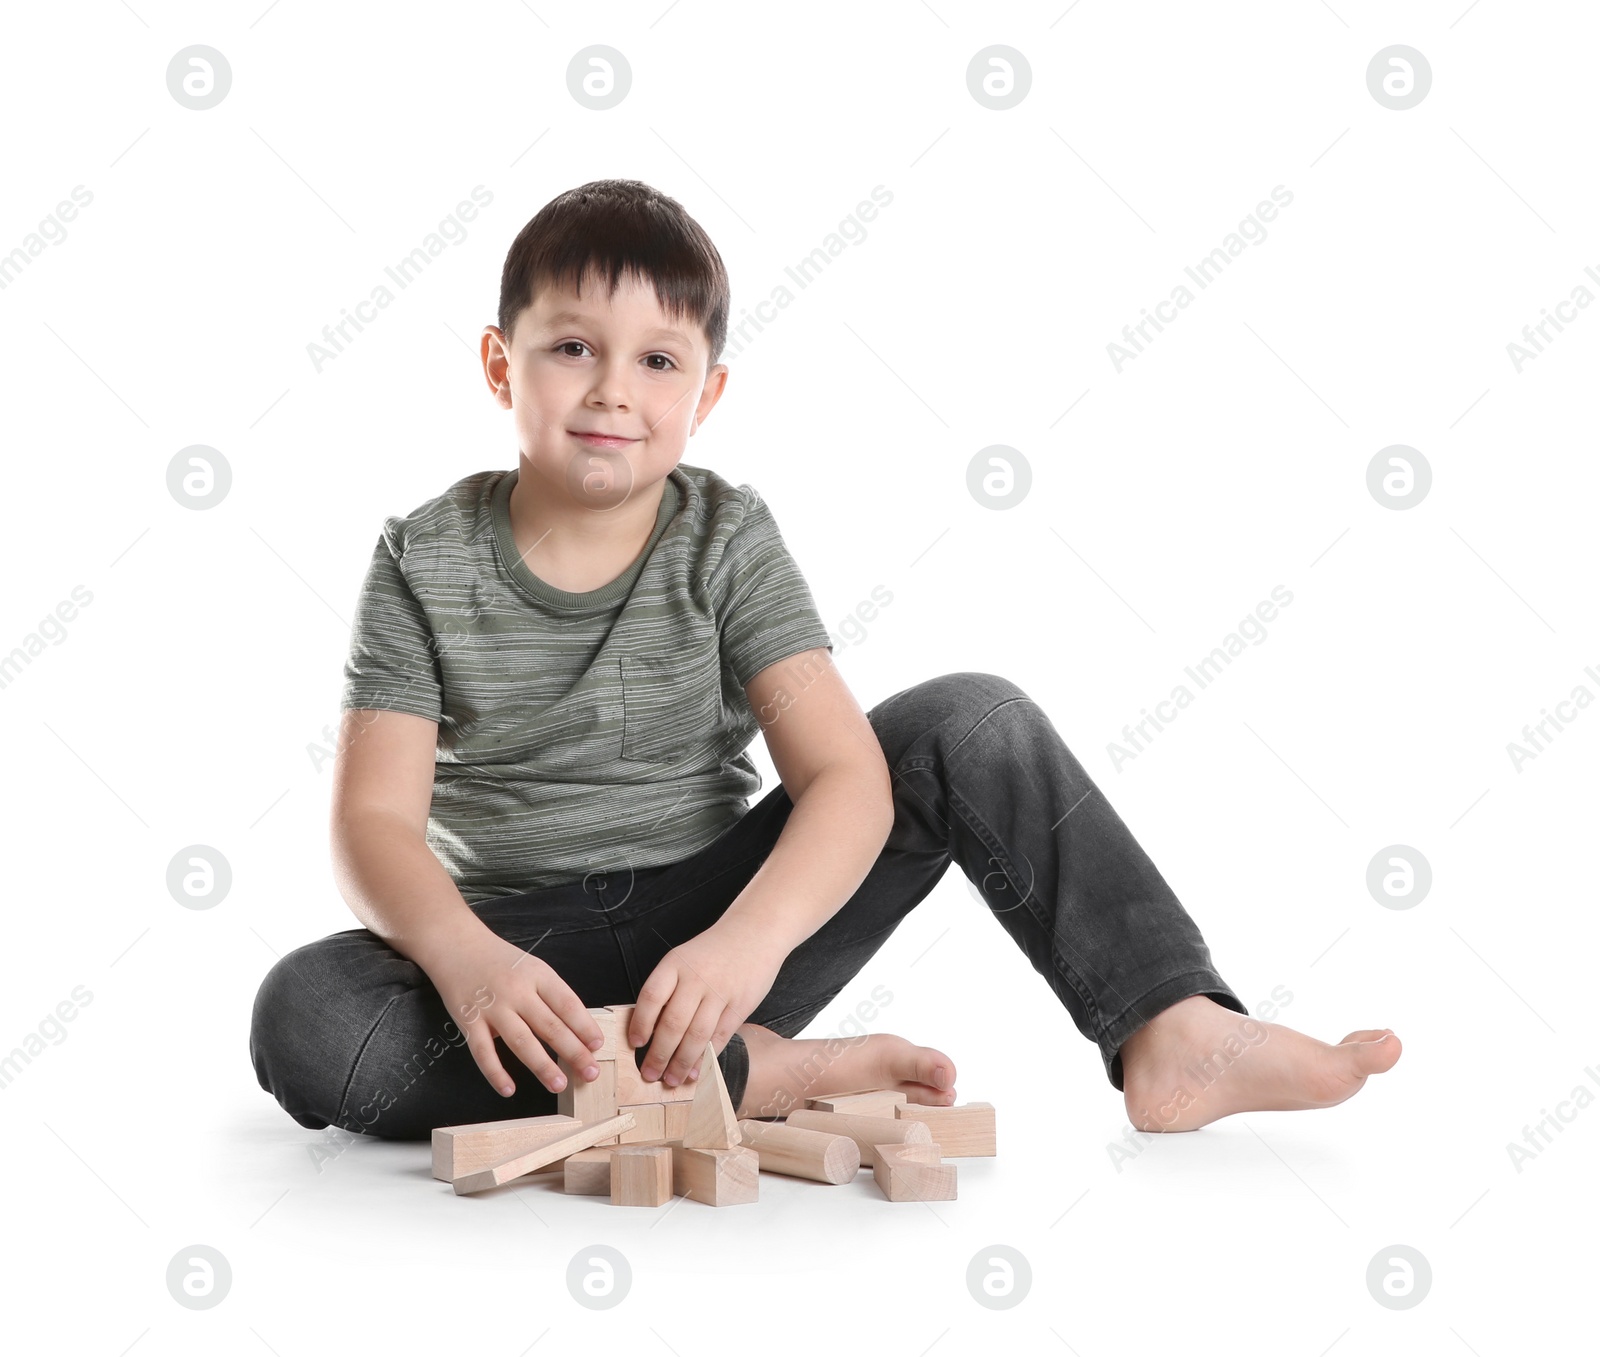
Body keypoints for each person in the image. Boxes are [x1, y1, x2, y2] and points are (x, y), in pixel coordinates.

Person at [250, 179, 1400, 1143]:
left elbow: (847, 777)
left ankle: (1171, 1028)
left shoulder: (726, 539)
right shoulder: (424, 557)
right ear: (503, 367)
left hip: (714, 943)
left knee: (974, 719)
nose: (611, 388)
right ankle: (768, 1076)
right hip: (519, 965)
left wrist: (747, 943)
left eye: (657, 360)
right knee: (305, 1015)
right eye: (570, 348)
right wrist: (466, 960)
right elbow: (376, 828)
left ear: (705, 395)